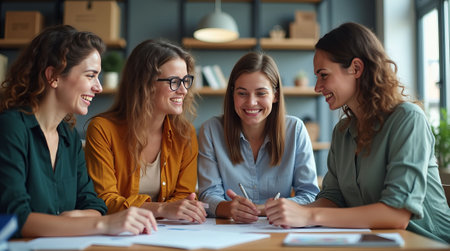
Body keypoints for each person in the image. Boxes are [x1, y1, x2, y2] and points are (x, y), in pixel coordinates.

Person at [265, 22, 450, 243]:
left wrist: (308, 214)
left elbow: (397, 214)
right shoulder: (342, 132)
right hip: (375, 243)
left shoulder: (408, 120)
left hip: (426, 243)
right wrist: (288, 209)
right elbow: (332, 198)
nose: (317, 87)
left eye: (323, 75)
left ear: (356, 68)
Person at [0, 25, 157, 237]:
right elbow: (15, 217)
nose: (99, 87)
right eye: (90, 75)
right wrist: (104, 224)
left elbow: (94, 205)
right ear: (53, 76)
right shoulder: (11, 128)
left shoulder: (69, 137)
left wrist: (75, 219)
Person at [84, 39, 206, 223]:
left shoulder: (185, 133)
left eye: (186, 81)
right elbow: (105, 200)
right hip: (118, 233)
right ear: (144, 84)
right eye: (174, 81)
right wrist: (163, 208)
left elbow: (183, 197)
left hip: (169, 232)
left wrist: (174, 209)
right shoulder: (102, 129)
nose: (183, 90)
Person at [198, 51, 320, 223]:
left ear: (275, 95)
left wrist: (262, 210)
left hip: (277, 228)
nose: (251, 102)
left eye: (261, 93)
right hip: (228, 231)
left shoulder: (295, 130)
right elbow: (207, 194)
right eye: (242, 93)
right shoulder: (211, 130)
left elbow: (310, 195)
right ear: (232, 94)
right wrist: (227, 208)